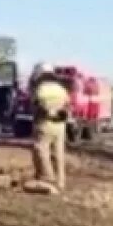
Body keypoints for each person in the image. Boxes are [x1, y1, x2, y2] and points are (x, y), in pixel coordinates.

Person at [29, 62, 71, 191]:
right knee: (58, 152)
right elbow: (67, 103)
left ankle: (47, 178)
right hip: (60, 125)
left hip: (45, 122)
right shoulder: (60, 87)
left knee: (40, 149)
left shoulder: (40, 87)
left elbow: (36, 103)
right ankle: (60, 181)